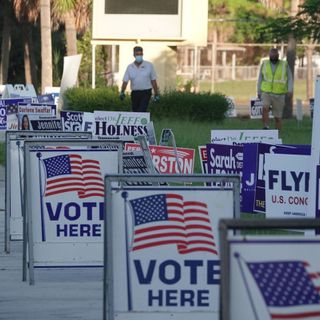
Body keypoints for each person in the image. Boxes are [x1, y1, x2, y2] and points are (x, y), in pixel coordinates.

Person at [257, 48, 293, 131]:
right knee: (265, 107)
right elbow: (260, 78)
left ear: (278, 55)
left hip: (279, 94)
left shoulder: (284, 64)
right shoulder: (265, 64)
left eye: (274, 55)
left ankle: (277, 134)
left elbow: (290, 78)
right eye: (271, 55)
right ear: (269, 56)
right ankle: (266, 127)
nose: (273, 57)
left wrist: (290, 90)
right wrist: (259, 91)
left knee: (277, 117)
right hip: (266, 92)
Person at [119, 46, 160, 112]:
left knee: (142, 110)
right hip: (135, 93)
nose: (139, 56)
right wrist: (122, 92)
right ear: (134, 55)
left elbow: (153, 80)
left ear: (142, 54)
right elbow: (125, 81)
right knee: (135, 111)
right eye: (137, 54)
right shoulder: (130, 67)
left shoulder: (149, 65)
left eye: (140, 54)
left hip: (146, 92)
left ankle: (143, 120)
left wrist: (156, 93)